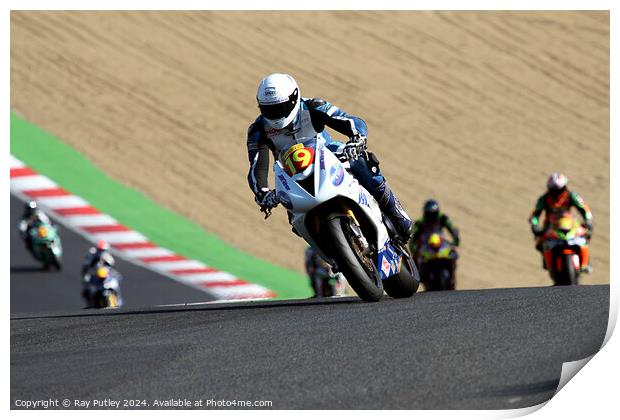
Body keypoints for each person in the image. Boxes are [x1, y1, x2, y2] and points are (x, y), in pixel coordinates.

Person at [246, 73, 412, 239]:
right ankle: (335, 260)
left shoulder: (313, 106)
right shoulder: (258, 130)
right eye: (269, 110)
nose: (275, 114)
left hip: (327, 153)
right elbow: (257, 166)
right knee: (295, 220)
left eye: (279, 108)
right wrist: (263, 193)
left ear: (293, 99)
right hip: (291, 173)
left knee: (362, 162)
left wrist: (357, 138)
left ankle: (395, 212)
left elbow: (349, 121)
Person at [529, 172, 593, 272]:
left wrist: (588, 220)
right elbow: (535, 213)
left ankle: (586, 263)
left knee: (585, 234)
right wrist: (534, 224)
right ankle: (548, 264)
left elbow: (583, 208)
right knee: (539, 241)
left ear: (564, 187)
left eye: (559, 190)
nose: (557, 193)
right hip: (550, 225)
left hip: (569, 223)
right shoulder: (544, 199)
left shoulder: (572, 196)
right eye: (554, 190)